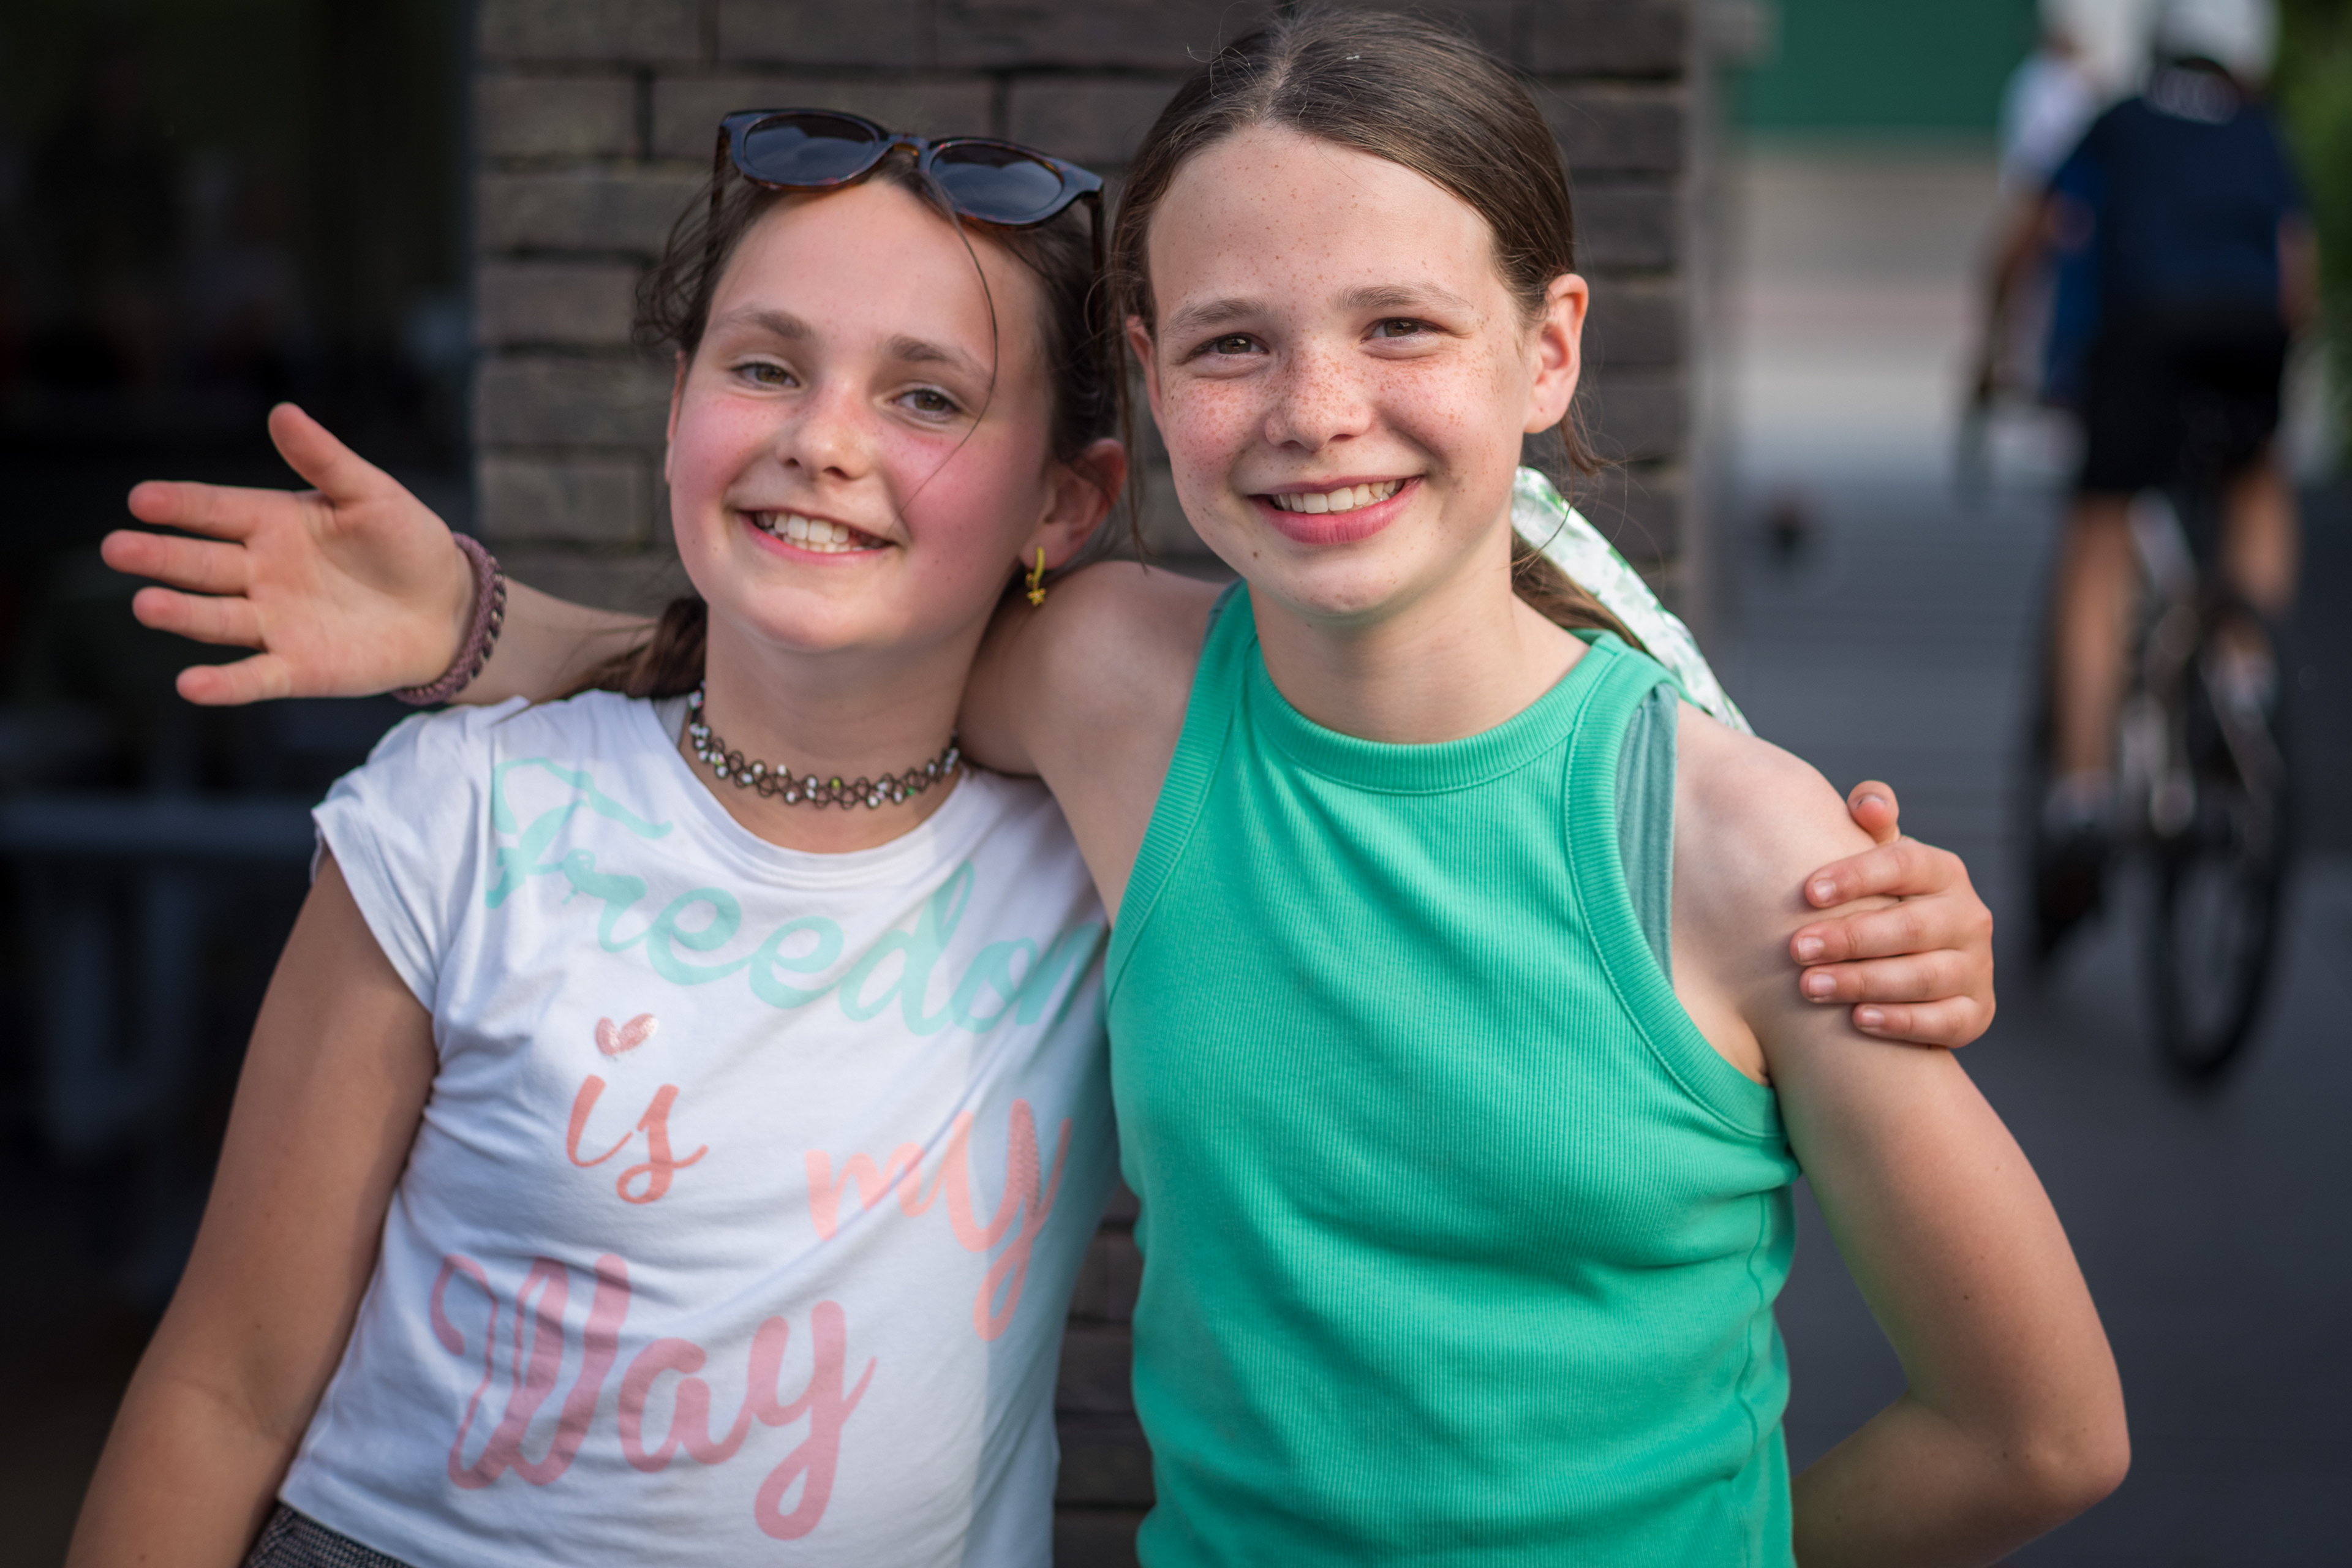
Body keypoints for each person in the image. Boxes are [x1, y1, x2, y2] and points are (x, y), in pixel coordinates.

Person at [85, 34, 2020, 1568]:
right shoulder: (1080, 712)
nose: (1316, 407)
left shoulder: (1693, 841)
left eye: (1400, 328)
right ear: (1155, 385)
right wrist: (479, 628)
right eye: (1238, 341)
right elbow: (826, 655)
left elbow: (2032, 1430)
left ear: (1551, 347)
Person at [1985, 0, 2313, 951]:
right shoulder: (2262, 130)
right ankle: (2247, 675)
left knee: (2100, 532)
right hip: (2247, 337)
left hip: (2143, 333)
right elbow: (2294, 275)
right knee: (2257, 481)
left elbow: (2032, 235)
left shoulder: (2119, 119)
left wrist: (1992, 348)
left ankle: (2084, 791)